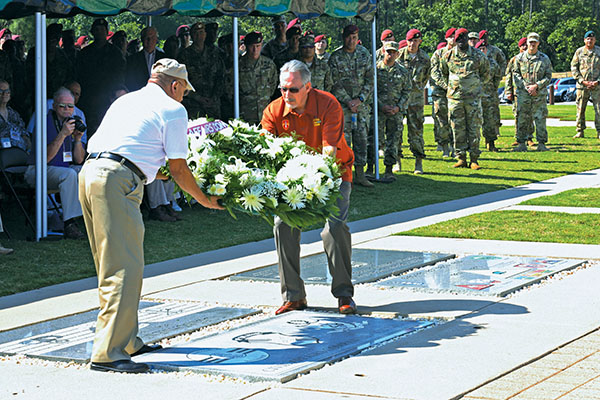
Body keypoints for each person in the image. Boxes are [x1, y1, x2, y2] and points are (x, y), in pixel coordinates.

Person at [80, 59, 223, 374]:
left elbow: (133, 148)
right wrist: (204, 200)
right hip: (117, 181)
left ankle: (127, 340)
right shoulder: (173, 110)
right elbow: (178, 168)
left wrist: (154, 172)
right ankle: (108, 353)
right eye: (184, 90)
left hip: (92, 173)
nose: (184, 96)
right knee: (124, 266)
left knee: (116, 263)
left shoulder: (127, 100)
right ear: (175, 85)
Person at [261, 60, 356, 315]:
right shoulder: (273, 111)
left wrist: (316, 182)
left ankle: (344, 294)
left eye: (293, 89)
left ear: (308, 87)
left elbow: (329, 151)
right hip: (292, 178)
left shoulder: (327, 104)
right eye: (283, 89)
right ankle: (294, 296)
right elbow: (267, 152)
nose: (287, 95)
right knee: (283, 225)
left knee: (334, 227)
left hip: (333, 173)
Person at [25, 87, 86, 239]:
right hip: (38, 170)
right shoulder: (44, 123)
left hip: (60, 170)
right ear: (54, 106)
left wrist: (77, 140)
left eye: (70, 106)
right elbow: (43, 159)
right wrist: (63, 134)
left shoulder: (72, 122)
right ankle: (69, 223)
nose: (67, 109)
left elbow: (79, 159)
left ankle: (90, 218)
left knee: (85, 171)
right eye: (62, 106)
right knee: (70, 174)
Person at [329, 24, 374, 187]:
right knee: (344, 141)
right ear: (343, 37)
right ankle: (344, 175)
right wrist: (348, 100)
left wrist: (360, 99)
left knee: (362, 139)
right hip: (343, 106)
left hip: (361, 106)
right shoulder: (335, 57)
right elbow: (333, 82)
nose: (351, 40)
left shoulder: (365, 54)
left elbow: (370, 79)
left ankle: (360, 174)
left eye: (354, 37)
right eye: (349, 37)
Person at [439, 28, 490, 169]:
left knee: (474, 129)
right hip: (455, 99)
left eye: (463, 37)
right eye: (458, 38)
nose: (460, 40)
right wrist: (452, 86)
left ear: (467, 38)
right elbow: (444, 73)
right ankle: (461, 157)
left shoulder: (478, 55)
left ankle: (474, 159)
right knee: (457, 129)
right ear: (455, 40)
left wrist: (474, 86)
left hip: (472, 99)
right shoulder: (448, 56)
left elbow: (486, 74)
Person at [76, 18, 126, 137]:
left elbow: (120, 78)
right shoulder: (84, 53)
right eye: (96, 30)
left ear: (107, 31)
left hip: (108, 101)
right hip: (89, 102)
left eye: (102, 29)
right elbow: (79, 76)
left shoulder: (115, 53)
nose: (99, 32)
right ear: (92, 32)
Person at [375, 41, 411, 180]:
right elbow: (371, 89)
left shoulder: (403, 71)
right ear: (384, 51)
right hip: (379, 110)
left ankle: (389, 169)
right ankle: (371, 168)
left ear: (398, 54)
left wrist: (398, 107)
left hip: (395, 111)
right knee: (374, 140)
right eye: (388, 51)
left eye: (393, 52)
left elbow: (407, 91)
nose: (390, 54)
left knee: (393, 141)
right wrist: (380, 105)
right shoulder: (376, 68)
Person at [397, 28, 430, 174]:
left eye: (416, 41)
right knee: (396, 130)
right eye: (410, 41)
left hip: (416, 100)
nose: (412, 44)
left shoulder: (424, 58)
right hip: (399, 99)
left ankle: (418, 162)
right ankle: (396, 160)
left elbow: (426, 76)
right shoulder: (399, 56)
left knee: (416, 131)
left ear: (420, 41)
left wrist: (418, 88)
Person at [512, 32, 552, 152]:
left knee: (540, 118)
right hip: (523, 94)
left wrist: (537, 86)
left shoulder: (544, 58)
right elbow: (515, 74)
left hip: (539, 94)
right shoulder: (519, 58)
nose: (532, 44)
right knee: (522, 118)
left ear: (538, 43)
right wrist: (526, 86)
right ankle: (521, 143)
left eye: (535, 42)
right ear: (527, 43)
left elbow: (548, 75)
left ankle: (541, 143)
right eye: (530, 42)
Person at [177, 22, 225, 119]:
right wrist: (198, 98)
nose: (199, 36)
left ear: (205, 34)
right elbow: (181, 81)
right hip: (193, 105)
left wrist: (214, 98)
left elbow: (221, 77)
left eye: (201, 32)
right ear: (192, 36)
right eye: (196, 33)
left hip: (213, 105)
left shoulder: (215, 53)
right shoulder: (184, 55)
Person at [238, 31, 278, 124]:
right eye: (252, 46)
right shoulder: (238, 65)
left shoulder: (269, 64)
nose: (255, 50)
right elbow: (230, 90)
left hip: (265, 113)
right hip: (245, 115)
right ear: (246, 46)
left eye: (258, 46)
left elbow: (273, 85)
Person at [430, 28, 456, 157]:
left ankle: (456, 147)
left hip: (457, 93)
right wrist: (447, 86)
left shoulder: (461, 53)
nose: (453, 39)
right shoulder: (438, 54)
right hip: (441, 92)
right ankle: (444, 146)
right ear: (446, 38)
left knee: (457, 120)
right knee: (442, 120)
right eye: (450, 36)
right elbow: (434, 73)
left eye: (455, 36)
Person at [571, 30, 600, 139]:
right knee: (580, 109)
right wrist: (582, 80)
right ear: (584, 40)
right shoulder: (579, 52)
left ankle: (599, 131)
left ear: (595, 40)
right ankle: (580, 131)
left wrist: (597, 81)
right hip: (582, 86)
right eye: (588, 39)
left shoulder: (599, 51)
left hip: (597, 86)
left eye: (592, 39)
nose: (590, 40)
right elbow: (574, 67)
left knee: (599, 110)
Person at [505, 37, 533, 146]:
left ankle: (529, 137)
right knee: (518, 114)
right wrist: (508, 91)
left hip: (530, 91)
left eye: (526, 45)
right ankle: (519, 137)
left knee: (529, 115)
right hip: (518, 92)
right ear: (519, 47)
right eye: (522, 46)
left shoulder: (533, 58)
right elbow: (509, 76)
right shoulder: (514, 59)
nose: (525, 47)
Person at [479, 30, 506, 134]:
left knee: (493, 109)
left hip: (491, 86)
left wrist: (499, 76)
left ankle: (495, 130)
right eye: (481, 38)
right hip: (478, 88)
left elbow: (502, 62)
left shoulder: (495, 50)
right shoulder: (474, 51)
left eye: (485, 37)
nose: (484, 39)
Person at [476, 40, 501, 152]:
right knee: (473, 122)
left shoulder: (492, 62)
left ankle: (490, 142)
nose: (482, 51)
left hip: (488, 95)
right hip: (474, 95)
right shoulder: (473, 62)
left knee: (489, 120)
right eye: (480, 49)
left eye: (484, 49)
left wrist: (492, 89)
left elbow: (497, 76)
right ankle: (473, 145)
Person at [126, 26, 166, 93]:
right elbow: (130, 81)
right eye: (146, 38)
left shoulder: (164, 59)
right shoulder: (132, 60)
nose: (149, 41)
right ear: (142, 40)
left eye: (152, 38)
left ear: (156, 39)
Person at [0, 79, 30, 154]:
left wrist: (29, 149)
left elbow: (24, 133)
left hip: (19, 156)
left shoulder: (13, 114)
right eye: (0, 91)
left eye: (7, 91)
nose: (4, 94)